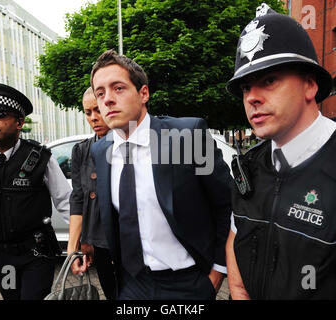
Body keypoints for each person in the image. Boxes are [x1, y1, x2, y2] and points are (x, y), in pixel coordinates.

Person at [90, 49, 232, 300]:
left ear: (143, 93)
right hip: (131, 285)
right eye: (100, 93)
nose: (107, 99)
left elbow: (227, 204)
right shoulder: (101, 150)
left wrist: (216, 274)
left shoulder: (186, 136)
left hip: (188, 283)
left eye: (118, 88)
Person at [225, 3, 335, 299]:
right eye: (246, 88)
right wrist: (237, 292)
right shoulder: (247, 167)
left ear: (310, 85)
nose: (252, 98)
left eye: (269, 80)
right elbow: (236, 238)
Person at [0, 83, 71, 300]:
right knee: (11, 296)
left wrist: (82, 240)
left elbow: (65, 202)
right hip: (2, 254)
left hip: (36, 253)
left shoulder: (39, 157)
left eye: (0, 114)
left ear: (19, 123)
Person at [68, 87, 116, 300]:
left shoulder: (128, 146)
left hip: (131, 244)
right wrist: (74, 248)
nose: (94, 118)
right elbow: (79, 199)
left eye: (98, 110)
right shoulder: (81, 150)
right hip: (100, 245)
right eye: (88, 112)